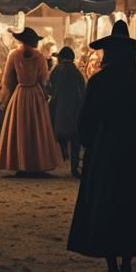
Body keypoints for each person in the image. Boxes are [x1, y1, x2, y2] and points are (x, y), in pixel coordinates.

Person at [67, 20, 136, 272]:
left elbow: (85, 121)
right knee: (133, 207)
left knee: (106, 206)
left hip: (106, 149)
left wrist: (92, 147)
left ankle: (112, 269)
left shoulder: (99, 82)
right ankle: (126, 266)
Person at [0, 28, 62, 176]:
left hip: (20, 95)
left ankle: (20, 163)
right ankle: (38, 163)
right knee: (37, 129)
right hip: (35, 94)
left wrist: (4, 99)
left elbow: (7, 80)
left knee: (20, 129)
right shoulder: (39, 57)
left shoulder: (13, 55)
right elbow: (44, 79)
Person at [48, 46, 87, 178]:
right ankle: (74, 167)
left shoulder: (56, 70)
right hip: (75, 109)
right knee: (75, 140)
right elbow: (83, 88)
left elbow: (49, 87)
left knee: (60, 134)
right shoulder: (76, 72)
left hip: (59, 107)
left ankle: (63, 153)